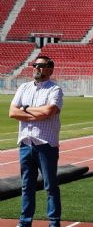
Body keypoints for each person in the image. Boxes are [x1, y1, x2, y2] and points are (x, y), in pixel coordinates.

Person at [9, 56, 63, 227]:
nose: (36, 68)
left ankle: (54, 222)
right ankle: (25, 222)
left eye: (40, 65)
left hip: (45, 145)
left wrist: (24, 109)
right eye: (34, 65)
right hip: (26, 144)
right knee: (26, 187)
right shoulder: (24, 87)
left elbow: (48, 112)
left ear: (49, 69)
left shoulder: (55, 89)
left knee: (50, 187)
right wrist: (34, 113)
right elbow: (12, 112)